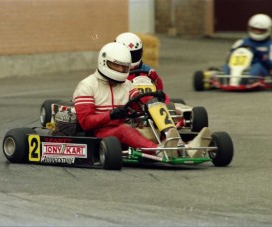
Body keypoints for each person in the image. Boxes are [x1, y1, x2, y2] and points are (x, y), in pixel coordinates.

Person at [73, 42, 211, 158]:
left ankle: (183, 147)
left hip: (126, 127)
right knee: (124, 130)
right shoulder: (87, 86)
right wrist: (111, 114)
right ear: (104, 62)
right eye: (117, 66)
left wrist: (154, 101)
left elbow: (142, 99)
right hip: (100, 132)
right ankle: (159, 151)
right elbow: (86, 123)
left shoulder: (127, 84)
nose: (121, 69)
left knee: (151, 122)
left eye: (124, 67)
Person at [115, 32, 170, 104]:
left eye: (134, 54)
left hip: (147, 103)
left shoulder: (147, 71)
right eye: (127, 55)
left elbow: (159, 88)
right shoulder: (113, 71)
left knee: (165, 98)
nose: (130, 58)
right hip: (123, 104)